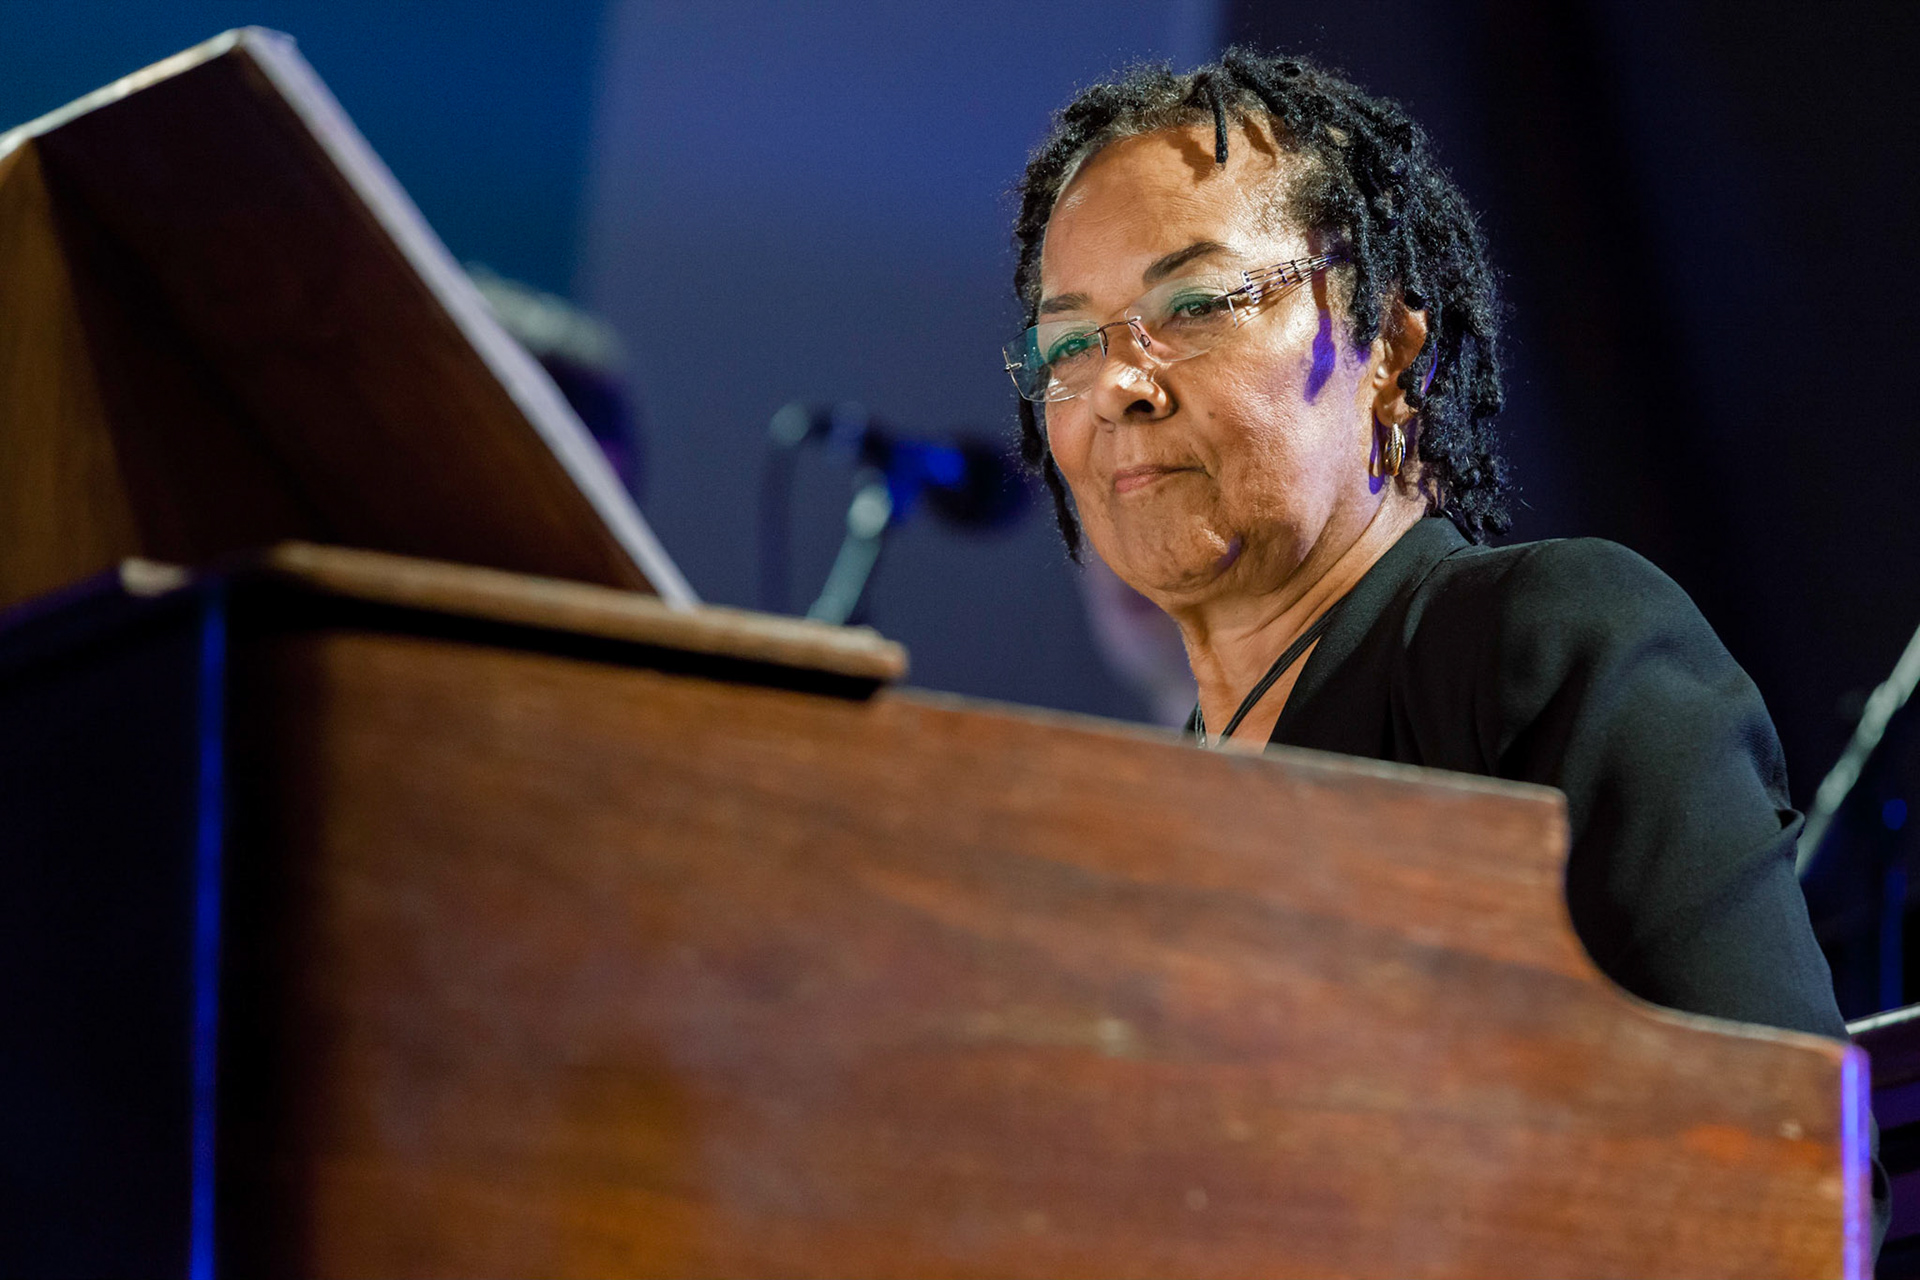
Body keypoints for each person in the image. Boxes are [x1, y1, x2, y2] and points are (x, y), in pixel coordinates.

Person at [1003, 48, 1885, 1241]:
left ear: (1389, 351)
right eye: (1069, 344)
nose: (1118, 383)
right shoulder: (1146, 815)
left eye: (1196, 306)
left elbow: (1784, 1176)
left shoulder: (1552, 645)